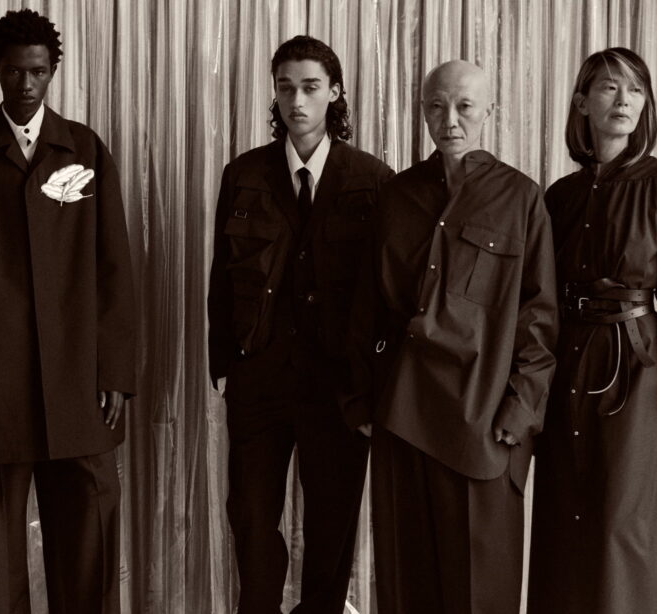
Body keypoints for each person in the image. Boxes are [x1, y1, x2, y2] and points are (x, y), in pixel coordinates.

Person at [0, 9, 137, 614]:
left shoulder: (85, 149)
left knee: (90, 535)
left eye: (39, 72)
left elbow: (115, 268)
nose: (26, 84)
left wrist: (115, 372)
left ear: (53, 71)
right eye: (15, 71)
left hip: (81, 381)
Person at [347, 60, 558, 613]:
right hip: (402, 416)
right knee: (406, 588)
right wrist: (360, 400)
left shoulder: (520, 198)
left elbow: (539, 316)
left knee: (479, 594)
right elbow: (367, 308)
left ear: (489, 110)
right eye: (437, 106)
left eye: (464, 106)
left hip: (482, 423)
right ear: (423, 111)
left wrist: (519, 410)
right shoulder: (396, 195)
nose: (450, 120)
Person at [207, 35, 394, 613]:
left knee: (332, 522)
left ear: (334, 92)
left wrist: (372, 385)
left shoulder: (373, 179)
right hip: (259, 378)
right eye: (285, 88)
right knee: (250, 515)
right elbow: (221, 278)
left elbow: (385, 294)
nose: (296, 100)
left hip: (338, 385)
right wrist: (223, 364)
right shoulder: (244, 174)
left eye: (310, 87)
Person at [527, 47, 657, 614]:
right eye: (609, 87)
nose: (624, 100)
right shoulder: (559, 196)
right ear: (582, 102)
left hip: (634, 364)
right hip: (566, 362)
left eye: (635, 90)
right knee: (563, 512)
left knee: (619, 522)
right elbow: (538, 298)